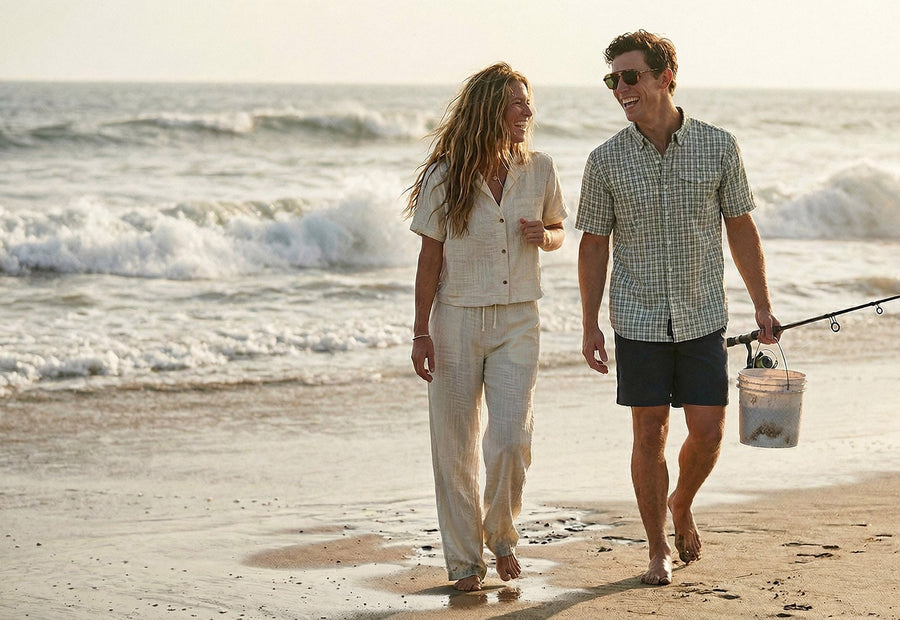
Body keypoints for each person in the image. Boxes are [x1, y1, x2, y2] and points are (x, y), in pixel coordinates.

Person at [576, 31, 779, 586]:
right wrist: (590, 323)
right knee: (649, 434)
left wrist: (762, 304)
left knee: (709, 431)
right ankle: (656, 547)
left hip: (702, 314)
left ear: (666, 77)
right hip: (637, 318)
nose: (620, 88)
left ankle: (681, 502)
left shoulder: (719, 146)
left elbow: (741, 227)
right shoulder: (605, 160)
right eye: (613, 79)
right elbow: (593, 244)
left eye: (630, 76)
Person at [404, 62, 567, 592]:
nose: (527, 111)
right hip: (455, 320)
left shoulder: (539, 168)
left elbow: (559, 230)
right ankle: (464, 562)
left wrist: (544, 236)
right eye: (516, 102)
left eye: (527, 101)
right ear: (490, 110)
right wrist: (420, 332)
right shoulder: (445, 175)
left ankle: (501, 533)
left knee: (511, 440)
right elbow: (429, 258)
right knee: (454, 446)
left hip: (519, 318)